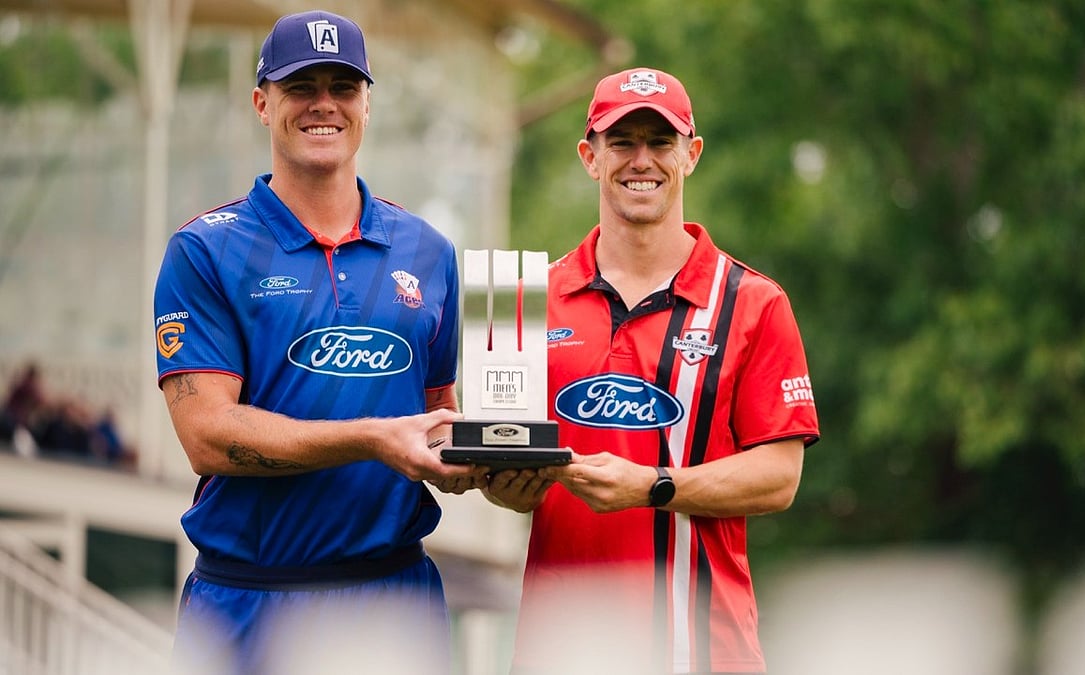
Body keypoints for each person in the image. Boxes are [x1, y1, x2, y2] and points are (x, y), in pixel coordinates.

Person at [152, 10, 484, 674]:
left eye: (343, 85)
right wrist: (372, 438)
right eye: (302, 85)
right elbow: (207, 435)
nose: (323, 103)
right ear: (262, 102)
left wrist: (482, 459)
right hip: (250, 601)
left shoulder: (428, 250)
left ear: (367, 103)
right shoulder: (206, 250)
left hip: (395, 599)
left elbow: (437, 415)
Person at [485, 67, 821, 674]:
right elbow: (502, 453)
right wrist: (501, 488)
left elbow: (781, 476)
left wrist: (654, 486)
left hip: (704, 652)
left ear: (690, 154)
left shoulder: (752, 301)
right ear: (590, 156)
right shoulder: (523, 300)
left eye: (660, 141)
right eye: (622, 141)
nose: (642, 160)